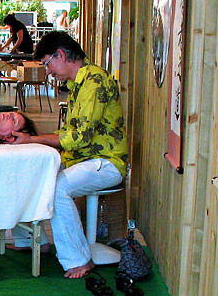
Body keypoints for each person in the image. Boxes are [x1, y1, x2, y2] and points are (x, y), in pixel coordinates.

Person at [8, 32, 128, 279]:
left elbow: (79, 138)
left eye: (47, 64)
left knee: (57, 189)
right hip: (85, 160)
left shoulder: (94, 82)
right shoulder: (79, 84)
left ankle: (79, 260)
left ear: (60, 55)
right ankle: (30, 240)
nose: (48, 71)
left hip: (106, 162)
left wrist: (33, 139)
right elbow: (70, 135)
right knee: (33, 173)